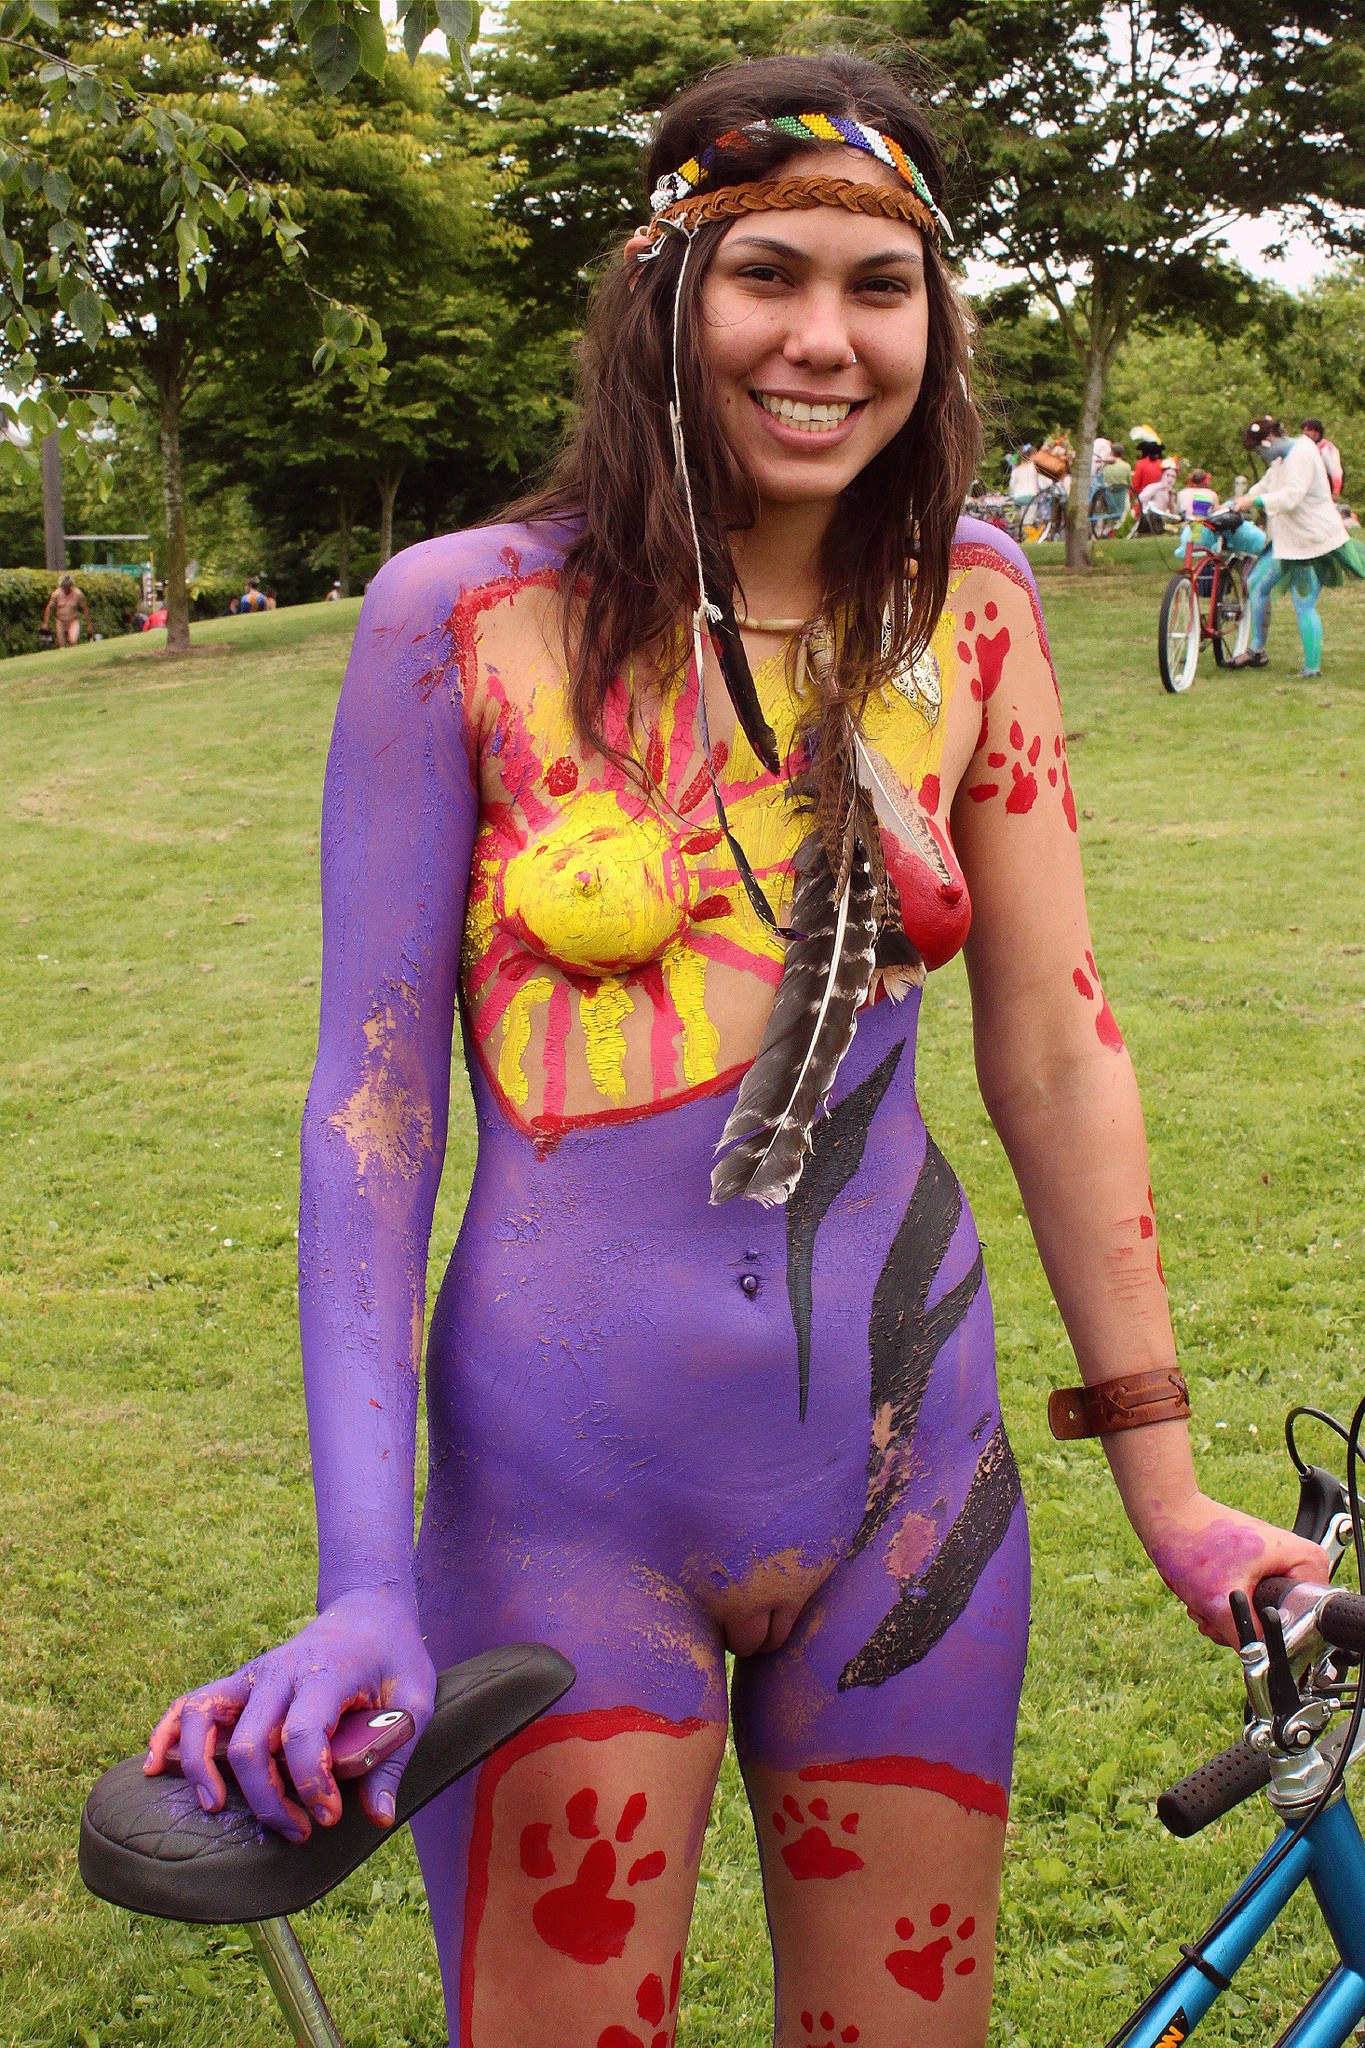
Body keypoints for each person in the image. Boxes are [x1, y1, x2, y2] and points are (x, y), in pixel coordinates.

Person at [145, 57, 1324, 2048]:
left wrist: (1170, 1485)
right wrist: (363, 1580)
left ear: (934, 321)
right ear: (661, 290)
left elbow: (1055, 1043)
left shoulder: (969, 605)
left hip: (916, 1491)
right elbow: (372, 1115)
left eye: (880, 285)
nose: (822, 338)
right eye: (765, 273)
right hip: (560, 1509)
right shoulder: (466, 618)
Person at [1232, 414, 1365, 676]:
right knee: (1256, 584)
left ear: (1270, 440)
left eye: (1259, 450)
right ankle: (1257, 650)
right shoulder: (1281, 458)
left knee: (1303, 602)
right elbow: (1267, 484)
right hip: (1288, 542)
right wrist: (1240, 499)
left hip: (1311, 543)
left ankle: (1312, 668)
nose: (1260, 456)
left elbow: (1291, 496)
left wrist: (1254, 502)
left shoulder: (1302, 453)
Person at [42, 571, 92, 648]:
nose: (64, 589)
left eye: (66, 587)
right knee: (62, 646)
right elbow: (49, 608)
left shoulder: (78, 594)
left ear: (70, 585)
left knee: (73, 641)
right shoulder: (56, 594)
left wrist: (89, 625)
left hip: (73, 621)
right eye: (63, 587)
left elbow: (84, 609)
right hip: (61, 622)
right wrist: (46, 623)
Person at [1301, 417, 1343, 499]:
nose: (1305, 433)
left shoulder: (1327, 448)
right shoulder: (1303, 447)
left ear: (1318, 432)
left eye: (1309, 430)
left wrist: (1336, 492)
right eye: (1304, 430)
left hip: (1325, 489)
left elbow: (1336, 471)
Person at [1130, 430, 1164, 495]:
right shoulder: (1163, 464)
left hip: (1143, 496)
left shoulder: (1141, 463)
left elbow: (1136, 484)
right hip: (1159, 496)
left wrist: (1129, 495)